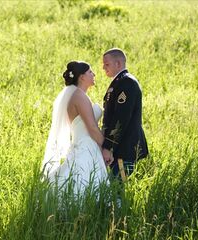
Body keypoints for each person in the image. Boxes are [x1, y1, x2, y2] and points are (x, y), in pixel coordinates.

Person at [42, 61, 109, 194]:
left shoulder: (80, 96)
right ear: (82, 77)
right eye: (90, 72)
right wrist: (106, 147)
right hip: (86, 147)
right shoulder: (79, 97)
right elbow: (92, 128)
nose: (94, 74)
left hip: (87, 145)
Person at [101, 48, 148, 181]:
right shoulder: (118, 82)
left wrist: (108, 146)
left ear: (118, 64)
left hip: (124, 148)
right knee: (114, 188)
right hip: (118, 147)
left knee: (117, 190)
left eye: (107, 64)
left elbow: (120, 119)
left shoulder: (127, 83)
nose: (103, 67)